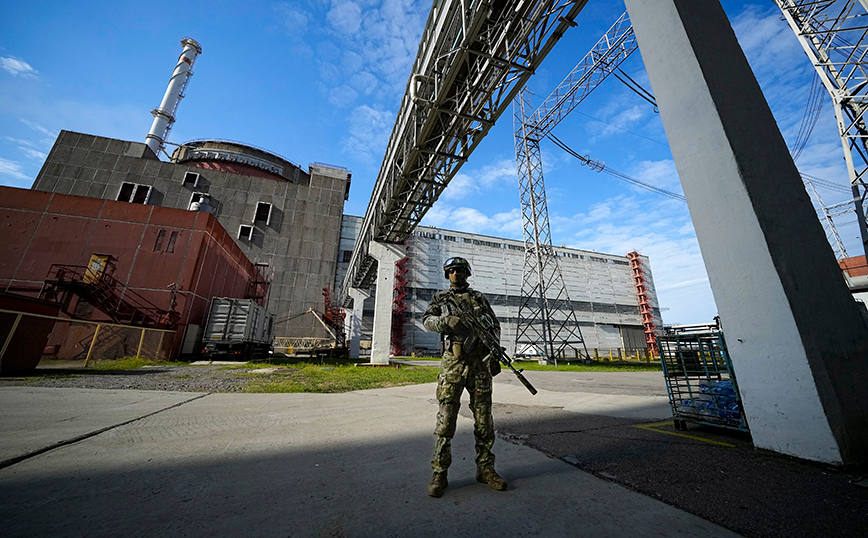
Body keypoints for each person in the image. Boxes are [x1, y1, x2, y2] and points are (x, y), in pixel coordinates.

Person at [422, 256, 507, 498]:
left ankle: (486, 469)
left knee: (484, 421)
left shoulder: (479, 298)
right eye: (451, 271)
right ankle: (439, 472)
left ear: (467, 273)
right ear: (447, 274)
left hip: (479, 365)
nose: (455, 274)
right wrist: (444, 321)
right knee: (446, 420)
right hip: (453, 365)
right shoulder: (441, 299)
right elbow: (426, 320)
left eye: (459, 270)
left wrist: (494, 351)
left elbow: (494, 326)